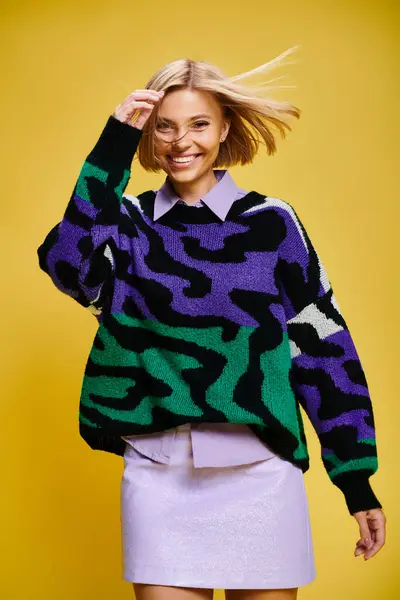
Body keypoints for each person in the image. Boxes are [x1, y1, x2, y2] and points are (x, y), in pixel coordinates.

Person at [37, 47, 386, 600]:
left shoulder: (272, 224)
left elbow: (322, 344)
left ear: (225, 127)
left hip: (261, 472)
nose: (182, 142)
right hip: (159, 472)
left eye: (199, 124)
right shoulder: (125, 222)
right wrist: (111, 146)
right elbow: (65, 264)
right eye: (164, 127)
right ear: (147, 136)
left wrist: (355, 480)